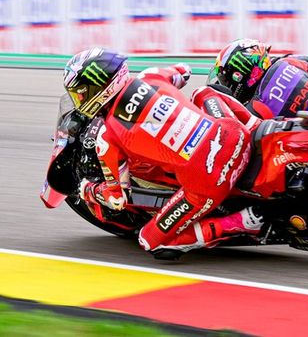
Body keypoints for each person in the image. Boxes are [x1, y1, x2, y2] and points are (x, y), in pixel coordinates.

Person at [62, 47, 265, 259]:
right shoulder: (150, 75)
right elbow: (184, 71)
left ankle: (241, 223)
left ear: (99, 87)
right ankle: (258, 126)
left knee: (149, 241)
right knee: (202, 93)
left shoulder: (106, 137)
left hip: (208, 180)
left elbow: (117, 200)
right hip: (235, 134)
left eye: (81, 94)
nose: (80, 101)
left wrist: (87, 189)